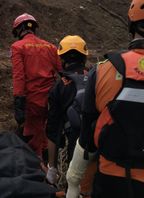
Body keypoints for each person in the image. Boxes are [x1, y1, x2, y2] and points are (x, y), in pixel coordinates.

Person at [66, 1, 144, 197]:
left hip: (110, 179)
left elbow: (87, 138)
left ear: (131, 24)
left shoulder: (103, 69)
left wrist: (73, 181)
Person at [45, 35, 96, 197]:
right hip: (100, 146)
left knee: (74, 187)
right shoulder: (99, 77)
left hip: (75, 147)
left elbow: (52, 131)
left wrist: (52, 167)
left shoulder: (59, 87)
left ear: (61, 58)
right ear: (85, 55)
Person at [11, 13, 62, 158]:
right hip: (50, 102)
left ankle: (37, 169)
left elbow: (19, 77)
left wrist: (18, 102)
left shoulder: (17, 47)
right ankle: (49, 166)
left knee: (31, 139)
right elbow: (63, 73)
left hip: (31, 102)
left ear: (19, 30)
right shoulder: (51, 47)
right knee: (46, 134)